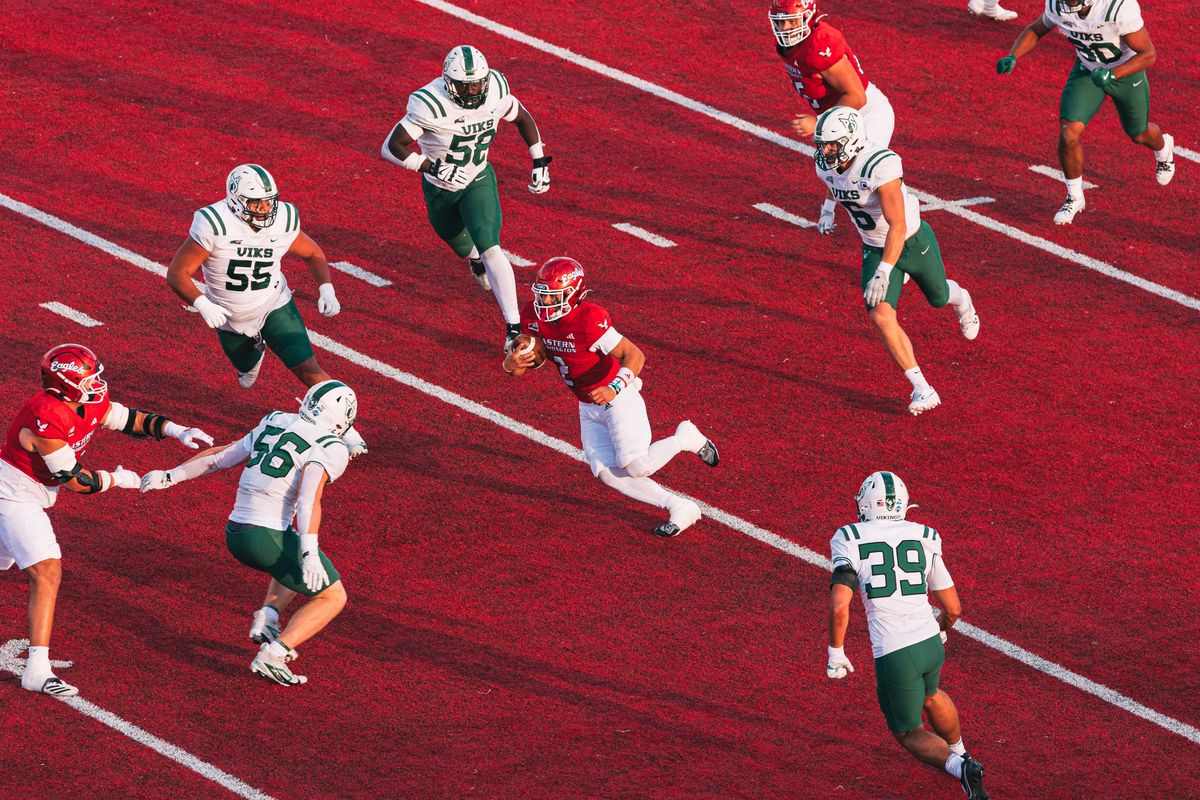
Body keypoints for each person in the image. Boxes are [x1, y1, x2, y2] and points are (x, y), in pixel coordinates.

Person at [0, 344, 212, 696]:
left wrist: (176, 430)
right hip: (13, 494)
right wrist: (120, 479)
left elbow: (128, 419)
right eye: (89, 378)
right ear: (64, 385)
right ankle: (36, 669)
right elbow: (77, 481)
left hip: (32, 491)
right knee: (47, 570)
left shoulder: (88, 401)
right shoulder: (46, 416)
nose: (98, 383)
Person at [139, 380, 358, 686]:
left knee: (289, 556)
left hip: (236, 532)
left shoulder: (276, 420)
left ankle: (268, 615)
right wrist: (309, 552)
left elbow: (220, 457)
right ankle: (276, 653)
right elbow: (309, 501)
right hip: (263, 537)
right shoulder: (330, 447)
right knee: (332, 596)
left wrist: (170, 475)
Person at [502, 258, 718, 537]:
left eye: (553, 295)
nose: (545, 302)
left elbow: (635, 356)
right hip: (587, 404)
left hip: (618, 397)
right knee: (607, 472)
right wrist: (512, 363)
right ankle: (680, 506)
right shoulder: (532, 315)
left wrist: (614, 388)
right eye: (542, 294)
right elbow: (526, 364)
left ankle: (685, 438)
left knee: (637, 465)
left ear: (572, 293)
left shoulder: (588, 319)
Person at [165, 163, 366, 456]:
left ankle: (348, 432)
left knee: (308, 368)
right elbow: (177, 273)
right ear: (235, 199)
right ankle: (253, 353)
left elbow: (313, 253)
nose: (264, 209)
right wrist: (202, 302)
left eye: (269, 201)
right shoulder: (215, 223)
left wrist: (326, 287)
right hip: (229, 315)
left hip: (273, 303)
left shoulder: (282, 219)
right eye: (256, 203)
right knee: (244, 369)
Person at [826, 471, 989, 799]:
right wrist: (940, 629)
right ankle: (963, 753)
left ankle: (960, 767)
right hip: (930, 641)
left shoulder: (849, 537)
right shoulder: (924, 535)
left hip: (895, 650)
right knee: (931, 694)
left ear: (869, 504)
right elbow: (953, 608)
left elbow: (840, 605)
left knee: (907, 731)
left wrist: (836, 650)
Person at [381, 45, 552, 351]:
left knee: (491, 244)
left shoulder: (496, 90)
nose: (473, 91)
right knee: (459, 241)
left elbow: (522, 117)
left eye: (478, 84)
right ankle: (473, 259)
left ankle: (514, 327)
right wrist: (431, 166)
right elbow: (391, 146)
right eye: (465, 86)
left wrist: (538, 160)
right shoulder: (430, 104)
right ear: (448, 83)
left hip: (478, 177)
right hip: (439, 188)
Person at [811, 106, 979, 415]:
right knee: (880, 315)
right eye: (822, 144)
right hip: (873, 247)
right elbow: (835, 183)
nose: (825, 151)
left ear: (851, 140)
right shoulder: (827, 164)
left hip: (910, 241)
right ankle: (922, 387)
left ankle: (963, 299)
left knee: (939, 297)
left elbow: (897, 224)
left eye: (831, 144)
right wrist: (827, 209)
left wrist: (885, 272)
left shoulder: (879, 165)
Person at [996, 0, 1175, 224]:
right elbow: (1036, 29)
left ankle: (1164, 148)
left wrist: (1113, 74)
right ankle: (1074, 196)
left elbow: (1148, 54)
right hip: (1088, 70)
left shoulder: (1118, 7)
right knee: (1068, 133)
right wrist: (1014, 55)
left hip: (1126, 73)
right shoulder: (1057, 5)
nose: (1067, 3)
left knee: (1139, 133)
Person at [768, 0, 896, 234]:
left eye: (791, 20)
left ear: (808, 16)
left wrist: (818, 122)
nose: (785, 27)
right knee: (833, 164)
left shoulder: (819, 43)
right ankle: (828, 209)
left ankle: (900, 234)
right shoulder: (792, 46)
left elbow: (857, 96)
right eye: (781, 21)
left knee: (867, 179)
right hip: (839, 115)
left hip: (866, 114)